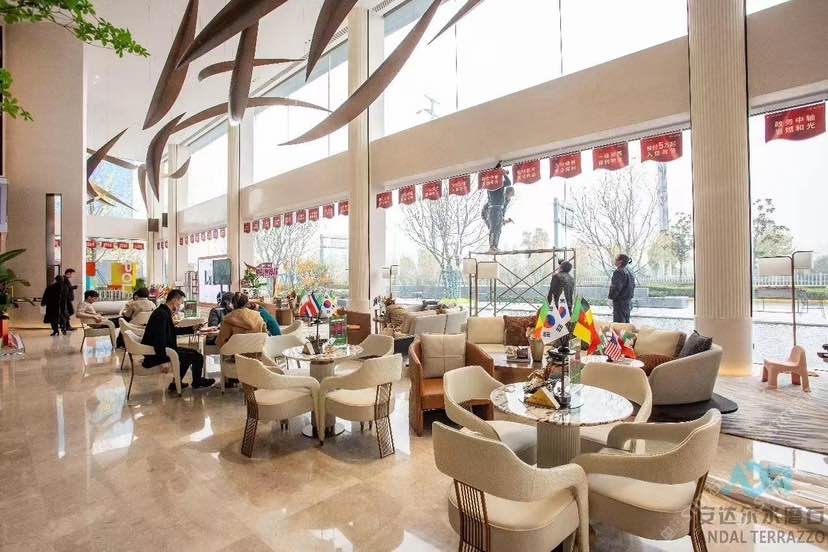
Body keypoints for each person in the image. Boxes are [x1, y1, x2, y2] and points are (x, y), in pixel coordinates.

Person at [141, 289, 215, 392]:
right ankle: (196, 381)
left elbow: (172, 331)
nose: (180, 306)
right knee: (197, 356)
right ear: (174, 300)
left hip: (165, 348)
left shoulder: (163, 312)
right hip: (158, 352)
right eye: (180, 303)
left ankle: (176, 383)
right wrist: (163, 360)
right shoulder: (161, 315)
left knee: (191, 355)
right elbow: (159, 338)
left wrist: (192, 328)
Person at [481, 166, 515, 252]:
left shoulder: (500, 185)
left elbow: (508, 182)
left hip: (498, 209)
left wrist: (504, 174)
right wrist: (503, 174)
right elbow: (508, 182)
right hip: (493, 209)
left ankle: (495, 247)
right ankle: (491, 247)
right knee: (493, 229)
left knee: (498, 229)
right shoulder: (490, 185)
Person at [608, 254, 636, 323]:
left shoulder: (618, 272)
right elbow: (632, 286)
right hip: (627, 303)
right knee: (625, 325)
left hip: (620, 304)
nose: (615, 260)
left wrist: (610, 298)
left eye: (616, 259)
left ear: (620, 261)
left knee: (619, 326)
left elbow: (616, 287)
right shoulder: (628, 272)